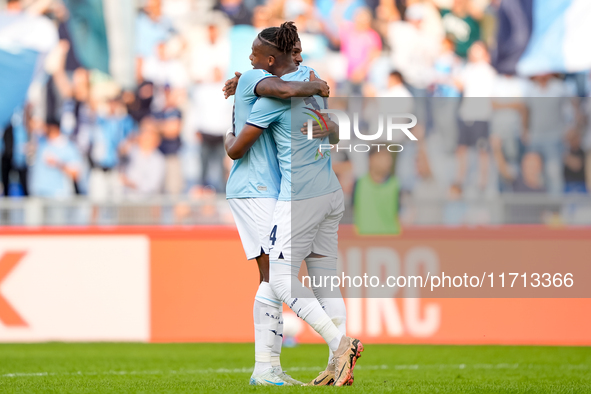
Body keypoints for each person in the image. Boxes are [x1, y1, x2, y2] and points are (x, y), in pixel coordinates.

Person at [227, 22, 363, 387]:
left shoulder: (274, 96)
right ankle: (334, 365)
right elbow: (333, 132)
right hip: (331, 192)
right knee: (320, 280)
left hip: (293, 194)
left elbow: (237, 148)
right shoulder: (312, 79)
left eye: (255, 56)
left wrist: (229, 136)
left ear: (270, 61)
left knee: (279, 280)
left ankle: (338, 347)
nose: (250, 60)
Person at [29, 119, 82, 198]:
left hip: (57, 195)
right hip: (38, 193)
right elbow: (31, 126)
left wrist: (57, 163)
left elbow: (76, 174)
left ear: (54, 128)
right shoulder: (42, 142)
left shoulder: (67, 147)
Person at [353, 147, 401, 234]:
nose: (388, 161)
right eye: (381, 157)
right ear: (371, 159)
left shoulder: (396, 185)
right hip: (364, 240)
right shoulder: (358, 183)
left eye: (388, 158)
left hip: (390, 239)